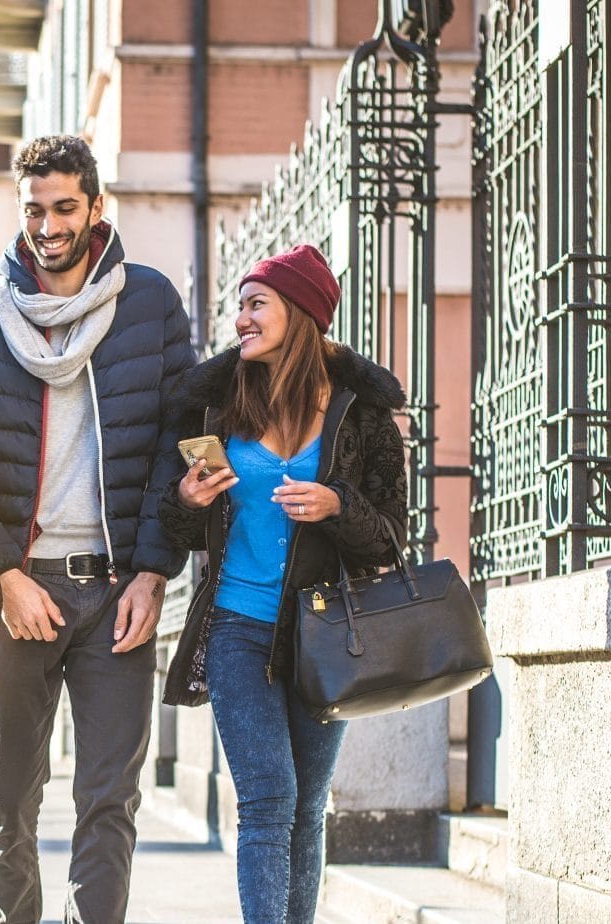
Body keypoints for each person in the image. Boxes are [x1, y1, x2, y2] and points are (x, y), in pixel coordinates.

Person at [0, 134, 196, 923]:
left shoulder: (149, 304)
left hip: (116, 591)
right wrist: (2, 581)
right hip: (21, 592)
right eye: (35, 210)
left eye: (63, 208)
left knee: (109, 802)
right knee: (7, 799)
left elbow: (173, 447)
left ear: (94, 209)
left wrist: (152, 574)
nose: (48, 225)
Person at [158, 244, 408, 923]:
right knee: (268, 798)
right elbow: (177, 534)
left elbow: (392, 534)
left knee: (305, 807)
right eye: (239, 305)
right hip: (237, 626)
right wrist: (191, 499)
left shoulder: (360, 416)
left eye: (255, 304)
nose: (241, 318)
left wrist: (338, 506)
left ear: (300, 314)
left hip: (325, 632)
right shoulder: (216, 407)